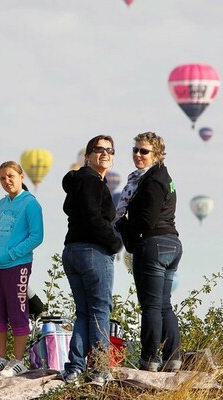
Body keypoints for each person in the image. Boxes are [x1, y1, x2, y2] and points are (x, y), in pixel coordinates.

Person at [114, 132, 182, 373]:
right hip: (171, 243)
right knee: (164, 305)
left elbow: (147, 220)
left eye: (144, 151)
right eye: (135, 149)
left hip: (154, 244)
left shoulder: (152, 181)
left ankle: (149, 359)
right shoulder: (164, 177)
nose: (138, 155)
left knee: (151, 306)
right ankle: (173, 358)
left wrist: (122, 225)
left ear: (157, 154)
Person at [61, 135, 122, 386]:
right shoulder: (91, 182)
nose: (105, 154)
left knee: (85, 312)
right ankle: (98, 369)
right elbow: (93, 219)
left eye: (110, 150)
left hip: (72, 251)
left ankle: (74, 368)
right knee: (100, 310)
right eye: (99, 150)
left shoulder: (78, 182)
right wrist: (115, 242)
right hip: (92, 252)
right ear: (87, 156)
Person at [0, 161, 44, 377]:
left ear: (21, 176)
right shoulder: (1, 204)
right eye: (2, 178)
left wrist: (12, 254)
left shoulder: (30, 204)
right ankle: (0, 358)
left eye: (10, 176)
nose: (6, 181)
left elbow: (37, 236)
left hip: (17, 265)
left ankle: (18, 361)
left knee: (18, 311)